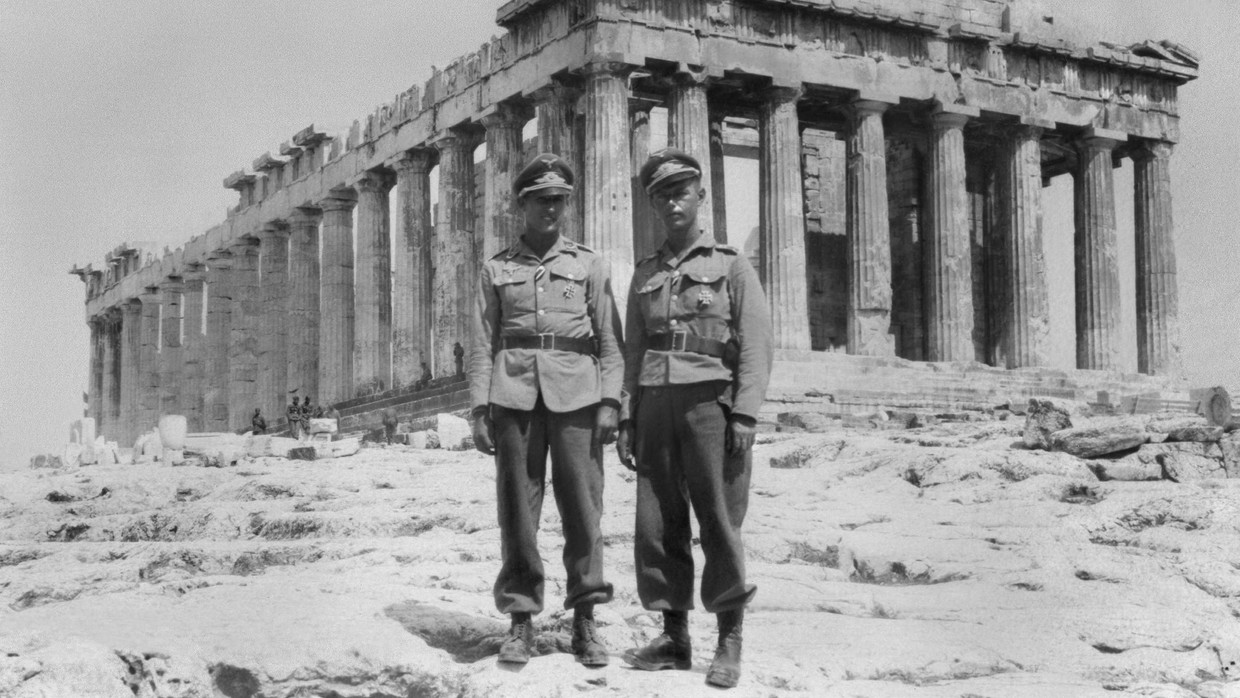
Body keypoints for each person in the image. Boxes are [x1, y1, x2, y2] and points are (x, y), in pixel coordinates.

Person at [617, 148, 773, 689]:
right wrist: (628, 417)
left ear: (700, 196)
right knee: (658, 525)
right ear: (654, 204)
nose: (672, 202)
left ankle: (729, 639)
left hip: (711, 403)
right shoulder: (645, 273)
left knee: (720, 522)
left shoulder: (730, 265)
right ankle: (674, 635)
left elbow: (756, 344)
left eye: (681, 191)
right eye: (662, 194)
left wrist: (746, 412)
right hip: (656, 405)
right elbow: (633, 349)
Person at [468, 153, 623, 667]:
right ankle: (520, 620)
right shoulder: (498, 267)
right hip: (513, 396)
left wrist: (610, 402)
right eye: (542, 200)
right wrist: (478, 406)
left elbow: (610, 341)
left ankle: (585, 620)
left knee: (584, 508)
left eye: (560, 200)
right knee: (518, 509)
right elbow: (481, 341)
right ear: (523, 204)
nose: (552, 209)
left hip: (578, 394)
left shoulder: (588, 264)